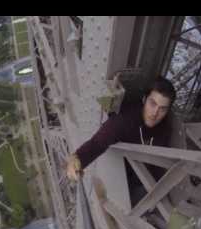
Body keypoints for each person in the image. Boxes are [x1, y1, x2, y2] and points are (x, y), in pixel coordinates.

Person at [66, 75, 177, 206]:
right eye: (152, 103)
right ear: (144, 99)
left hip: (144, 182)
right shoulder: (125, 120)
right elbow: (97, 143)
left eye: (162, 109)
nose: (155, 113)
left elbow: (160, 164)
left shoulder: (165, 128)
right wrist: (77, 158)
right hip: (121, 180)